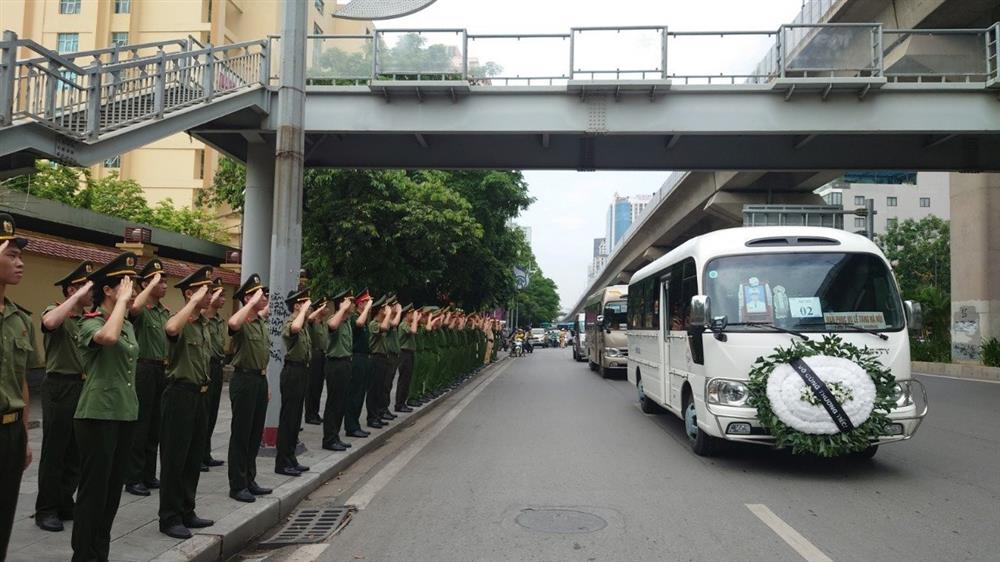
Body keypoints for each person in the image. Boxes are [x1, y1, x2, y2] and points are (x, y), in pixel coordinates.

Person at [72, 252, 140, 562]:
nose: (132, 290)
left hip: (124, 414)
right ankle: (84, 556)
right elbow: (107, 338)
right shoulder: (92, 322)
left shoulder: (126, 325)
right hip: (97, 415)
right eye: (125, 284)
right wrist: (123, 303)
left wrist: (124, 306)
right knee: (93, 494)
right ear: (109, 290)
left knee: (112, 495)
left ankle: (100, 554)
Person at [34, 260, 93, 533]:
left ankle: (64, 500)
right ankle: (45, 509)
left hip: (83, 387)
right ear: (71, 290)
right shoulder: (54, 310)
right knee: (55, 450)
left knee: (76, 450)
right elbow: (49, 322)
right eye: (84, 287)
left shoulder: (88, 320)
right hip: (59, 386)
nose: (91, 292)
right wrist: (75, 299)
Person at [158, 266, 217, 539]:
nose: (210, 294)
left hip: (200, 396)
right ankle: (169, 517)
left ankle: (186, 510)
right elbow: (170, 329)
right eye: (203, 289)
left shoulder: (204, 324)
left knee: (193, 457)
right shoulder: (178, 320)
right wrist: (192, 302)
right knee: (175, 458)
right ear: (189, 293)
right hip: (180, 394)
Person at [0, 215, 35, 561]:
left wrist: (25, 436)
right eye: (11, 254)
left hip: (10, 434)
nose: (20, 263)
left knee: (5, 517)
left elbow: (21, 380)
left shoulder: (20, 318)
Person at [125, 259, 169, 497]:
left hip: (161, 370)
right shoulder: (141, 308)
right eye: (158, 281)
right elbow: (133, 310)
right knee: (140, 424)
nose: (163, 285)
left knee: (155, 424)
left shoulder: (164, 312)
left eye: (164, 281)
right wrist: (146, 287)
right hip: (143, 369)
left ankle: (149, 473)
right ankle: (133, 477)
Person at [226, 274, 272, 503]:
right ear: (247, 297)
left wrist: (266, 385)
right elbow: (232, 324)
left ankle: (249, 479)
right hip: (243, 380)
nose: (264, 297)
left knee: (255, 434)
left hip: (259, 381)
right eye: (259, 293)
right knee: (241, 434)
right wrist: (250, 303)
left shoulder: (260, 323)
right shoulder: (242, 322)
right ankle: (237, 484)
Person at [276, 288, 314, 476]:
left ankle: (291, 457)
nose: (310, 307)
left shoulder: (304, 324)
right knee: (288, 419)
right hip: (292, 372)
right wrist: (301, 310)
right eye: (306, 303)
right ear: (297, 305)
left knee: (295, 419)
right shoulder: (291, 322)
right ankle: (282, 462)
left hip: (302, 372)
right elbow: (295, 329)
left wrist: (305, 311)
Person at [322, 289, 357, 450]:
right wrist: (342, 309)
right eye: (350, 302)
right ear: (342, 303)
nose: (353, 305)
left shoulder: (347, 322)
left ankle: (335, 436)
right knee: (333, 402)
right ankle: (329, 439)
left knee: (341, 402)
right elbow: (331, 326)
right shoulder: (334, 319)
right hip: (335, 365)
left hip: (345, 364)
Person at [202, 278, 227, 471]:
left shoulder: (219, 320)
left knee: (212, 413)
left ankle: (205, 452)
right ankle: (199, 454)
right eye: (219, 295)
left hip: (218, 367)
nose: (223, 299)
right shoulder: (203, 318)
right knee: (203, 412)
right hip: (206, 366)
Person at [346, 290, 376, 431]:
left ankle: (355, 424)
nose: (369, 305)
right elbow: (358, 323)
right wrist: (367, 308)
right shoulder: (355, 317)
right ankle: (351, 426)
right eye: (366, 302)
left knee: (361, 393)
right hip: (357, 357)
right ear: (360, 303)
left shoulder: (363, 319)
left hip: (364, 358)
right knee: (355, 393)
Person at [303, 296, 329, 425]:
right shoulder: (312, 322)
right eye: (324, 307)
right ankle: (309, 414)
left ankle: (315, 412)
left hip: (323, 356)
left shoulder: (324, 323)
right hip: (314, 355)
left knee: (318, 386)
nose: (327, 309)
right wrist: (317, 310)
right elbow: (309, 318)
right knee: (312, 386)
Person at [395, 304, 418, 413]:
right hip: (404, 354)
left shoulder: (407, 324)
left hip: (409, 354)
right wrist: (415, 320)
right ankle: (399, 404)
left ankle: (402, 402)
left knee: (407, 379)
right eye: (412, 313)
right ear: (407, 314)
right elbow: (413, 331)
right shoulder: (403, 325)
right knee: (403, 380)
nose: (414, 315)